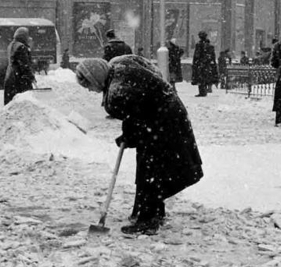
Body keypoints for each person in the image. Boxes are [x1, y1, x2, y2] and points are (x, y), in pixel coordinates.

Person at [75, 56, 203, 235]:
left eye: (88, 85)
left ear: (96, 78)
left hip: (162, 123)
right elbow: (139, 105)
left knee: (150, 168)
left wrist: (129, 136)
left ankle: (148, 220)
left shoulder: (117, 92)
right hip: (170, 114)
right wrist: (128, 135)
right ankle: (150, 211)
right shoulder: (121, 64)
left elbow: (137, 116)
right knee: (151, 167)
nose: (90, 90)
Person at [3, 26, 36, 105]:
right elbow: (25, 65)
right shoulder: (21, 47)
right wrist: (31, 77)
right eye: (27, 36)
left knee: (10, 104)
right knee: (23, 103)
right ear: (24, 36)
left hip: (10, 79)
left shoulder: (11, 45)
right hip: (19, 80)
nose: (29, 38)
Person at [191, 31, 217, 97]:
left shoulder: (199, 45)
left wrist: (196, 63)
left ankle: (202, 91)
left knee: (201, 78)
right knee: (206, 77)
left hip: (201, 64)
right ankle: (206, 89)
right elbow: (212, 56)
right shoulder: (210, 46)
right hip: (207, 65)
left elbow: (196, 55)